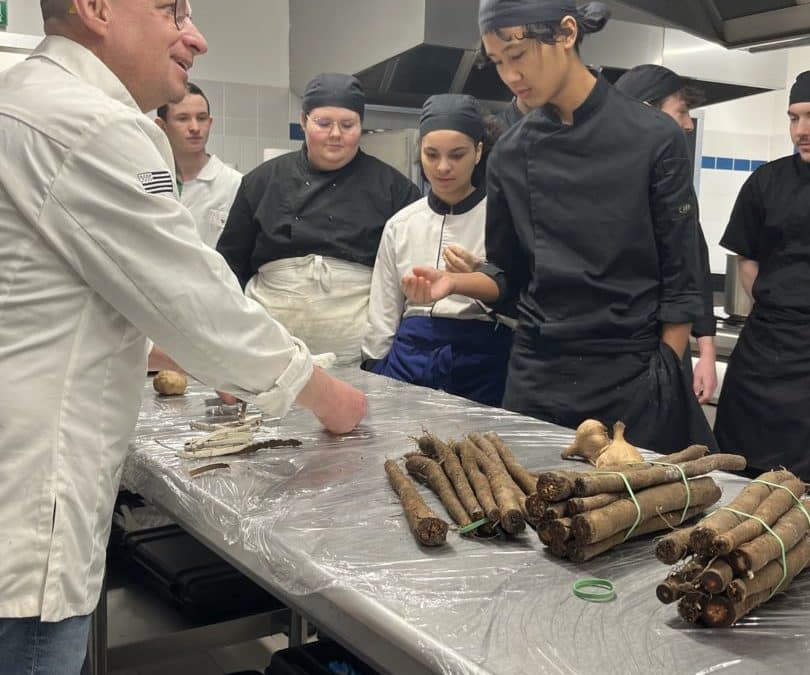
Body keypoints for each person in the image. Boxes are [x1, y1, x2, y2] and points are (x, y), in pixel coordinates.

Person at [0, 3, 365, 672]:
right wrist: (328, 396)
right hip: (24, 509)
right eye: (172, 9)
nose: (194, 35)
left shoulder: (22, 99)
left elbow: (41, 302)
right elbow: (201, 306)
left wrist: (166, 351)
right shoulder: (90, 123)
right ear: (95, 7)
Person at [404, 0, 716, 453]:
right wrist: (455, 282)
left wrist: (667, 365)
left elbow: (682, 274)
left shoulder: (654, 138)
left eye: (518, 56)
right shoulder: (510, 153)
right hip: (538, 378)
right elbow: (509, 276)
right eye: (497, 63)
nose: (510, 76)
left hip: (633, 377)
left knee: (635, 517)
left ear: (567, 33)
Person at [216, 73, 422, 366]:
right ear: (303, 122)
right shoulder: (261, 181)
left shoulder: (395, 189)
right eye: (324, 124)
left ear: (361, 126)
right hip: (268, 354)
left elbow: (406, 281)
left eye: (348, 125)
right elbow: (229, 268)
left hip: (358, 358)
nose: (335, 134)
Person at [362, 94, 513, 406]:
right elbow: (383, 312)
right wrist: (375, 371)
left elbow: (522, 308)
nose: (443, 167)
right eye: (432, 154)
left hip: (482, 363)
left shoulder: (504, 218)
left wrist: (478, 280)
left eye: (457, 155)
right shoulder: (401, 224)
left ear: (479, 152)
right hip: (408, 360)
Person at [713, 71, 810, 480]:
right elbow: (747, 261)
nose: (801, 131)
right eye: (793, 118)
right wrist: (774, 308)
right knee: (741, 469)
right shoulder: (765, 183)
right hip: (763, 352)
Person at [614, 64, 718, 405]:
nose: (688, 124)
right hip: (616, 352)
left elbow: (693, 264)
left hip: (663, 354)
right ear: (646, 111)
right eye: (682, 112)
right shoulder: (599, 179)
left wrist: (705, 349)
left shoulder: (673, 185)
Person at [156, 81, 242, 248]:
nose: (195, 127)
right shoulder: (150, 183)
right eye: (183, 118)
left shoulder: (235, 185)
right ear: (161, 126)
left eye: (201, 118)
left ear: (209, 123)